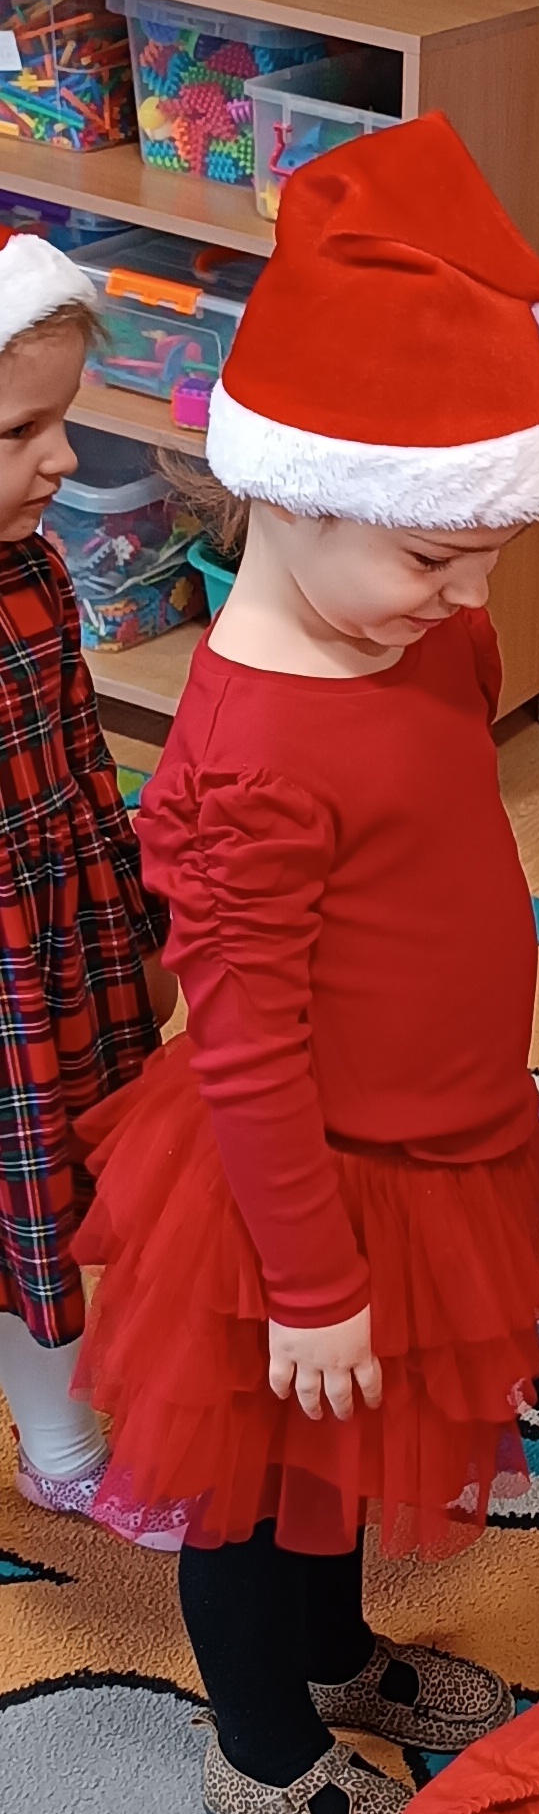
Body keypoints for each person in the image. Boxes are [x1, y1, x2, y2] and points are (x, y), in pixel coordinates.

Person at [78, 113, 539, 1814]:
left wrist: (433, 600)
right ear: (287, 498)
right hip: (294, 1191)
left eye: (486, 548)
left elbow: (436, 815)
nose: (472, 593)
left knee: (347, 1453)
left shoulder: (422, 632)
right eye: (435, 555)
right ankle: (264, 1752)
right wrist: (307, 1277)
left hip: (435, 1140)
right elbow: (244, 1044)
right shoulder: (243, 763)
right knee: (248, 1476)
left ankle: (333, 1653)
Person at [0, 232, 177, 1528]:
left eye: (59, 422)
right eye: (21, 434)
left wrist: (139, 925)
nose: (62, 461)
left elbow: (84, 770)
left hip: (54, 953)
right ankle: (62, 1452)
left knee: (45, 1215)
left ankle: (60, 1445)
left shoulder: (39, 573)